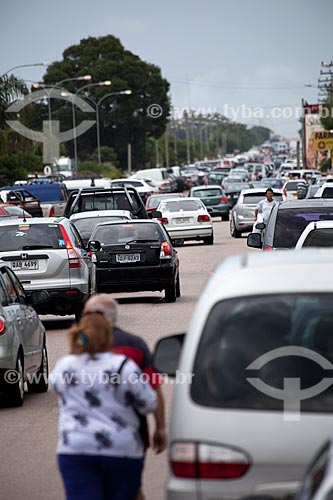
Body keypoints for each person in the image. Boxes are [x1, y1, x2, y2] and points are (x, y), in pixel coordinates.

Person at [51, 312, 157, 500]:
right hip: (120, 449)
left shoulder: (65, 365)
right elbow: (149, 403)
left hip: (76, 448)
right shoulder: (122, 366)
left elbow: (58, 388)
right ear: (108, 337)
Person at [83, 294, 167, 500]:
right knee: (132, 490)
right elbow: (153, 388)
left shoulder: (80, 346)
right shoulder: (135, 344)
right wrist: (161, 427)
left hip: (87, 435)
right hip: (132, 434)